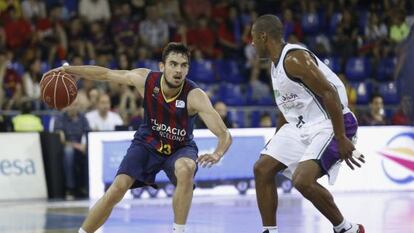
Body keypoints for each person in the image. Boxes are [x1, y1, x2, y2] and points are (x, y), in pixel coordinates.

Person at [44, 42, 232, 233]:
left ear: (188, 69)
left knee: (187, 168)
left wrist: (217, 153)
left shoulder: (195, 96)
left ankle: (179, 230)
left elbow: (224, 134)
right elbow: (106, 74)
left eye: (183, 65)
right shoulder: (145, 79)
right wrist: (69, 70)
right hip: (147, 142)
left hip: (179, 148)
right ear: (162, 67)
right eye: (173, 64)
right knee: (117, 189)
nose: (178, 70)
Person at [250, 15, 365, 233]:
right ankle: (269, 231)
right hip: (302, 127)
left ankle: (347, 229)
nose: (252, 43)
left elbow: (328, 93)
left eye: (254, 38)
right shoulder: (275, 67)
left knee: (302, 181)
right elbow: (287, 108)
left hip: (331, 123)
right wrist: (276, 143)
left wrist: (341, 138)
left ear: (264, 36)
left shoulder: (294, 59)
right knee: (262, 168)